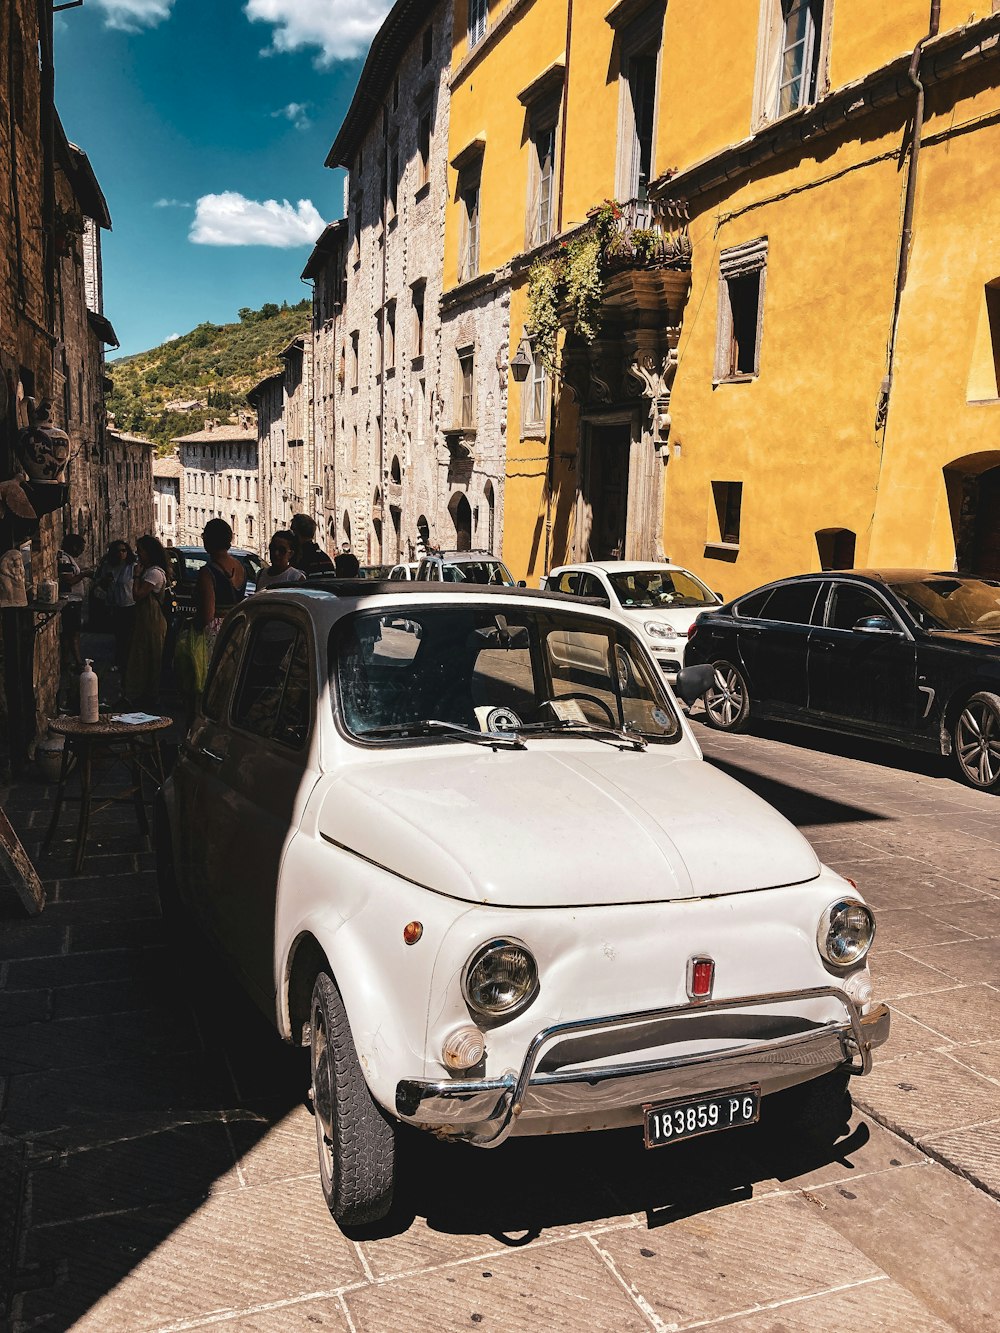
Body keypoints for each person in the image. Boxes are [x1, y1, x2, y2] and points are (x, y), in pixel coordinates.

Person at [125, 535, 169, 709]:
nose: (138, 554)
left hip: (153, 621)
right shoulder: (153, 571)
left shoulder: (154, 573)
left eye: (141, 550)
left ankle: (149, 696)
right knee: (142, 656)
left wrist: (136, 576)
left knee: (150, 657)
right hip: (147, 620)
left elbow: (138, 595)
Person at [98, 540, 137, 676]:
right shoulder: (109, 567)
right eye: (119, 551)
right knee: (119, 635)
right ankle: (120, 662)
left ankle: (127, 663)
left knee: (128, 636)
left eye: (124, 550)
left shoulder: (132, 567)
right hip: (114, 604)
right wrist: (105, 582)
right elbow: (102, 583)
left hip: (130, 605)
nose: (122, 554)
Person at [57, 533, 92, 669]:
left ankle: (68, 661)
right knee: (73, 632)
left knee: (70, 632)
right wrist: (84, 574)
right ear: (73, 546)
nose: (82, 551)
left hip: (73, 600)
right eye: (80, 548)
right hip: (70, 601)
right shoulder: (65, 559)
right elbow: (69, 580)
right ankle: (77, 662)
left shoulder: (69, 559)